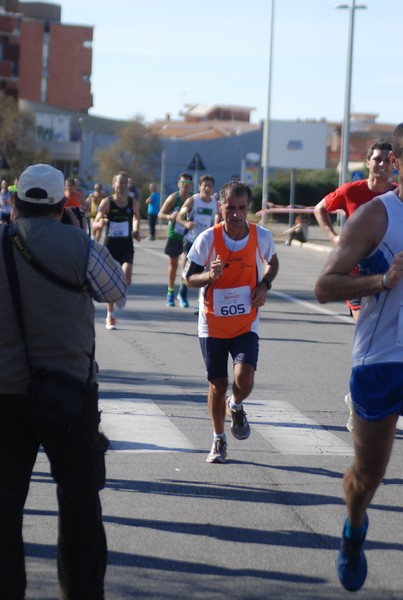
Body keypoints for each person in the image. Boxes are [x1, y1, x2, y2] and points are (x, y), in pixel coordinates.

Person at [0, 163, 127, 599]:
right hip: (70, 394)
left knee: (3, 509)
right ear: (61, 206)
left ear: (14, 203)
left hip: (4, 395)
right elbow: (115, 292)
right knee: (79, 506)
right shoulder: (79, 244)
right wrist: (77, 235)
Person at [314, 122, 403, 593]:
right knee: (367, 477)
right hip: (381, 361)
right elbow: (324, 287)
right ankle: (353, 529)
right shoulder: (373, 217)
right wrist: (382, 281)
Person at [183, 180, 279, 463]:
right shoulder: (207, 239)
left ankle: (235, 405)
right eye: (231, 208)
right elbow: (188, 278)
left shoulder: (261, 236)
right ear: (220, 206)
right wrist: (209, 277)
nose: (236, 214)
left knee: (244, 378)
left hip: (245, 321)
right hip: (212, 323)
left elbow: (273, 262)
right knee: (217, 384)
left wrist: (264, 285)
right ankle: (218, 439)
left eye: (242, 208)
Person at [314, 140, 396, 431]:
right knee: (370, 339)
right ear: (368, 163)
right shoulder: (352, 191)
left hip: (392, 282)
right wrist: (334, 238)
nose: (383, 164)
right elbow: (320, 208)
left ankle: (363, 399)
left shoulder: (396, 196)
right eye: (377, 159)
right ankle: (359, 405)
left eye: (387, 159)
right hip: (356, 279)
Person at [92, 170, 141, 330]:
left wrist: (135, 230)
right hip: (111, 245)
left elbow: (136, 218)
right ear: (114, 184)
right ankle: (110, 316)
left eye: (125, 183)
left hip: (126, 245)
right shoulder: (107, 202)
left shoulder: (133, 202)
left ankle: (120, 294)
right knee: (111, 282)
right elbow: (96, 221)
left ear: (128, 185)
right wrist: (100, 224)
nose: (123, 186)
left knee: (127, 277)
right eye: (120, 182)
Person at [176, 174, 220, 310]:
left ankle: (200, 303)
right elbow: (179, 216)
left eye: (210, 186)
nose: (207, 188)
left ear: (213, 188)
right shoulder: (192, 200)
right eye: (204, 185)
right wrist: (185, 223)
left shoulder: (214, 203)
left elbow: (217, 218)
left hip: (206, 242)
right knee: (187, 268)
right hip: (191, 239)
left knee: (206, 272)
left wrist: (217, 228)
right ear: (199, 186)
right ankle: (183, 292)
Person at [158, 172, 193, 307]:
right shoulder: (174, 198)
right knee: (173, 264)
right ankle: (170, 292)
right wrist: (169, 217)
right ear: (179, 184)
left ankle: (182, 292)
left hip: (188, 236)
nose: (185, 186)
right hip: (174, 234)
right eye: (183, 183)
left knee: (186, 265)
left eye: (188, 184)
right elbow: (160, 214)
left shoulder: (193, 200)